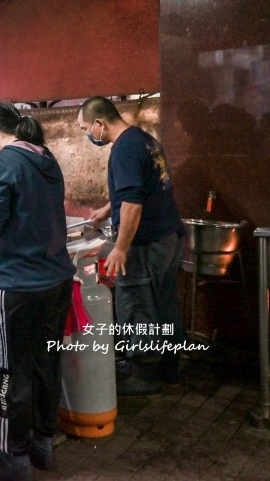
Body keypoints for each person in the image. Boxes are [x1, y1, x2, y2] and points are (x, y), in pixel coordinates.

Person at [0, 102, 75, 481]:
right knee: (46, 364)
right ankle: (43, 445)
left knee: (12, 372)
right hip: (56, 280)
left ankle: (14, 458)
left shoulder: (3, 161)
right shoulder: (46, 157)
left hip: (18, 285)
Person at [77, 96, 185, 395]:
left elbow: (134, 204)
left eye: (86, 128)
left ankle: (145, 372)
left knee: (137, 303)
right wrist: (108, 209)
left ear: (100, 123)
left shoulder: (123, 149)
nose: (89, 134)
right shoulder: (143, 140)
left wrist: (121, 247)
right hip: (168, 236)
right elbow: (138, 187)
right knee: (164, 303)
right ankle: (168, 368)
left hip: (146, 243)